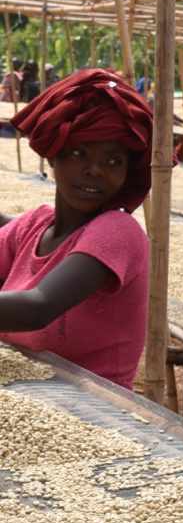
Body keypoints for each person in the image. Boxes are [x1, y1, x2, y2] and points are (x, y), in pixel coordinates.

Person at [0, 68, 152, 390]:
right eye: (78, 153)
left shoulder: (118, 232)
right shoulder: (35, 225)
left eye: (113, 161)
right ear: (53, 156)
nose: (94, 170)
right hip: (26, 393)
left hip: (90, 407)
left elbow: (38, 307)